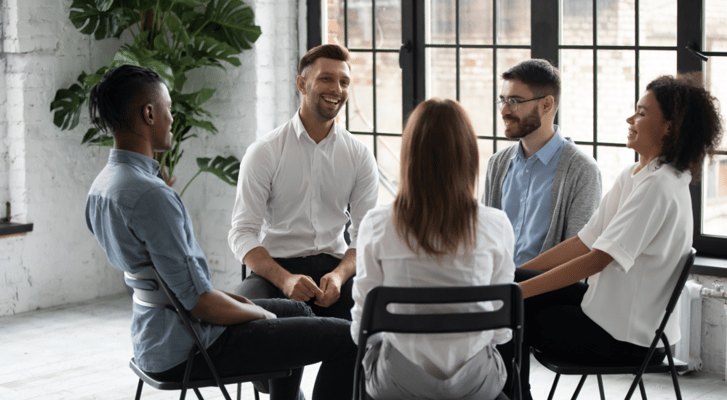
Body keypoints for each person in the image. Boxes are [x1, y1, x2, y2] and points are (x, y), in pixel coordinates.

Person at [85, 65, 357, 400]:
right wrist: (259, 313)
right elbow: (202, 305)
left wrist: (247, 304)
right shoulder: (151, 195)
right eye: (169, 109)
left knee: (298, 310)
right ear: (149, 113)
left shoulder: (103, 187)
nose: (172, 118)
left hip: (154, 338)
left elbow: (180, 289)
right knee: (351, 337)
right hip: (195, 347)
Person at [503, 73, 723, 399]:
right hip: (601, 311)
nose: (630, 119)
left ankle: (512, 396)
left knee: (511, 315)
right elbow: (584, 241)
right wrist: (518, 276)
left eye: (642, 113)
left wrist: (516, 292)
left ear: (670, 127)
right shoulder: (636, 173)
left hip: (623, 338)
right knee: (510, 286)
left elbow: (597, 259)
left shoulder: (660, 185)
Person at [351, 98, 517, 400]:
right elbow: (503, 332)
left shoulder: (376, 224)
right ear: (468, 157)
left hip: (398, 383)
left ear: (409, 155)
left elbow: (362, 326)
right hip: (475, 384)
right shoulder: (497, 224)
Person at [228, 44, 379, 321]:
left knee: (375, 314)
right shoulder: (265, 152)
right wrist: (284, 280)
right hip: (276, 268)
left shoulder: (359, 155)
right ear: (302, 83)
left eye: (344, 82)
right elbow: (242, 232)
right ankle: (286, 366)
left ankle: (336, 365)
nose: (337, 89)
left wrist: (339, 274)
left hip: (335, 269)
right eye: (326, 78)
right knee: (245, 320)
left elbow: (365, 236)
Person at [483, 59, 602, 266]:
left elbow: (577, 258)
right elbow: (484, 237)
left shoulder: (583, 171)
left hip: (547, 295)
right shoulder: (497, 164)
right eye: (502, 100)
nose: (504, 111)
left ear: (546, 104)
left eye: (514, 101)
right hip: (496, 288)